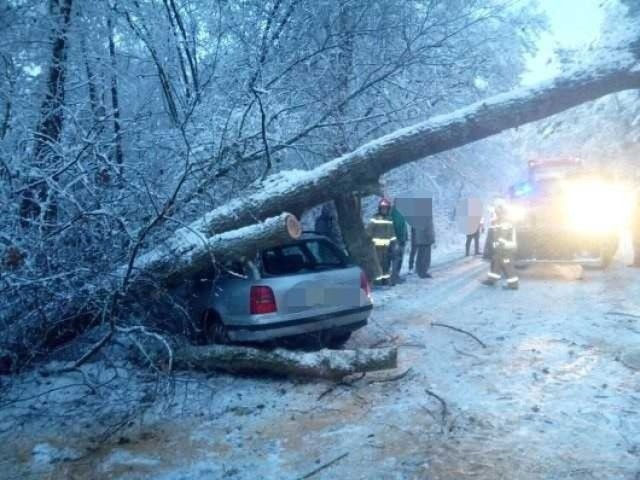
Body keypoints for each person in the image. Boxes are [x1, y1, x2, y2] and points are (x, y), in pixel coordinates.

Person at [482, 201, 519, 289]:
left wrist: (499, 245)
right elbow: (493, 234)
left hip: (506, 248)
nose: (495, 212)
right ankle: (491, 280)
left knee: (507, 266)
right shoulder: (498, 221)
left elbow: (503, 235)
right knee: (495, 263)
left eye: (496, 211)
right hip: (499, 248)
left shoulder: (506, 221)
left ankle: (513, 284)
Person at [367, 198, 396, 284]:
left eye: (386, 208)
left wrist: (394, 243)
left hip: (386, 247)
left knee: (386, 264)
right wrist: (368, 243)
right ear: (380, 208)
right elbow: (369, 231)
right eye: (383, 208)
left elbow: (392, 233)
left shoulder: (389, 219)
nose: (384, 210)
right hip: (376, 247)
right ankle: (376, 281)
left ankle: (385, 280)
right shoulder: (375, 218)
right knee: (377, 264)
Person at [410, 212, 435, 279]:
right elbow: (429, 229)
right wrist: (431, 238)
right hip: (426, 239)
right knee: (425, 257)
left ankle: (419, 270)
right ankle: (423, 272)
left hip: (419, 239)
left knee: (420, 256)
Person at [390, 201, 408, 285]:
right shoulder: (394, 213)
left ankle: (396, 276)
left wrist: (406, 236)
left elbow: (404, 226)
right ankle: (394, 278)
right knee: (396, 259)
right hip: (397, 240)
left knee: (399, 259)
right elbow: (395, 227)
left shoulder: (401, 212)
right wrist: (396, 239)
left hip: (401, 239)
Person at [632, 189, 640, 267]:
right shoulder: (635, 206)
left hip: (637, 226)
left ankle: (637, 262)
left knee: (637, 244)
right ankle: (637, 261)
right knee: (636, 245)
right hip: (636, 226)